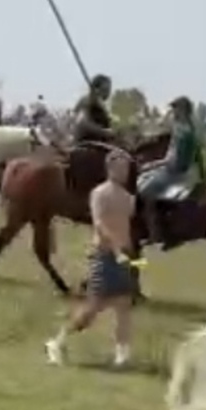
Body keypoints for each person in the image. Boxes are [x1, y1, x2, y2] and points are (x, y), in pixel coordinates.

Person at [45, 149, 136, 367]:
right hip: (104, 255)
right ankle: (57, 342)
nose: (124, 172)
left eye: (127, 168)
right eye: (120, 167)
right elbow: (100, 224)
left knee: (124, 304)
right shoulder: (100, 194)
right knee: (92, 308)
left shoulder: (128, 198)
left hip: (123, 256)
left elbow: (124, 226)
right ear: (110, 168)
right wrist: (116, 251)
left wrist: (129, 253)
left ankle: (122, 355)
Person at [136, 95, 200, 247]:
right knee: (144, 178)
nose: (173, 111)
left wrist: (152, 165)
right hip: (178, 170)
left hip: (175, 173)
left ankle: (154, 233)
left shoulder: (183, 132)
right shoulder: (183, 128)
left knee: (144, 189)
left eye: (175, 108)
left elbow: (173, 160)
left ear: (183, 110)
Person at [74, 74, 114, 144]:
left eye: (109, 89)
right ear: (96, 89)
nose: (108, 92)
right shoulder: (86, 100)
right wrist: (103, 132)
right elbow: (82, 123)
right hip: (87, 145)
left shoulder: (102, 108)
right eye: (105, 89)